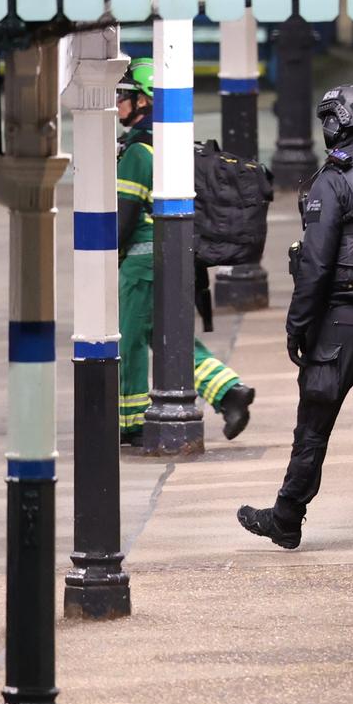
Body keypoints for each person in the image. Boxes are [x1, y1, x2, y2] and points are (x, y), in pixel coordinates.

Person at [236, 84, 353, 553]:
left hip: (338, 328)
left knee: (313, 428)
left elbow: (317, 267)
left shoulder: (330, 183)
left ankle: (286, 518)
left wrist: (298, 326)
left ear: (333, 126)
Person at [113, 57, 256, 443]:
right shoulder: (170, 146)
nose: (118, 102)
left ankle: (131, 422)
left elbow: (123, 222)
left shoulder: (137, 154)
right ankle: (229, 391)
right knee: (172, 335)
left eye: (124, 94)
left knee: (129, 340)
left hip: (140, 267)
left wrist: (102, 254)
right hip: (172, 261)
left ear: (145, 100)